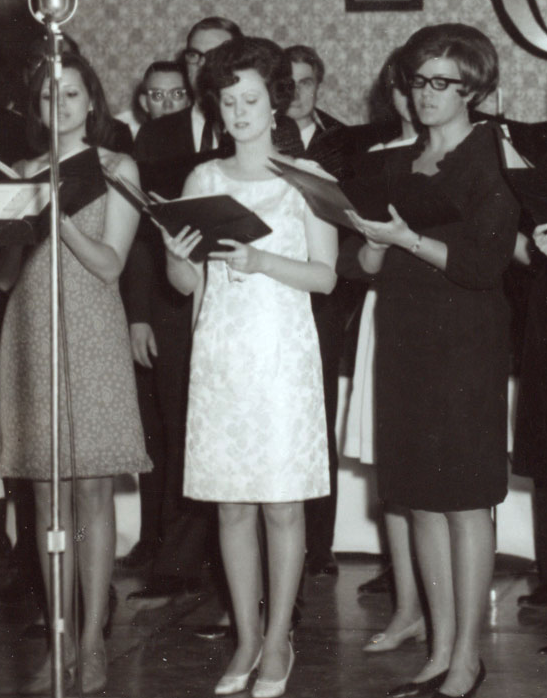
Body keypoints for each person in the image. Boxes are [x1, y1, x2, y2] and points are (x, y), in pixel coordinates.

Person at [339, 24, 519, 698]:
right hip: (405, 335)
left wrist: (408, 238)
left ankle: (467, 657)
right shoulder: (394, 161)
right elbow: (361, 263)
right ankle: (439, 649)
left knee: (464, 501)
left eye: (443, 82)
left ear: (474, 89)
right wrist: (373, 242)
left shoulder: (491, 159)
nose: (426, 95)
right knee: (417, 497)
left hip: (465, 340)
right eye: (419, 81)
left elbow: (481, 265)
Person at [161, 36, 337, 698]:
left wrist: (261, 262)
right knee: (230, 507)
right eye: (227, 101)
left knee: (281, 506)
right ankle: (243, 635)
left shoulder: (308, 180)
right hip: (221, 353)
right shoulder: (201, 180)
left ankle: (275, 642)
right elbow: (187, 287)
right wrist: (179, 256)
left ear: (275, 103)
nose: (237, 113)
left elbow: (323, 278)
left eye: (250, 100)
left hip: (280, 352)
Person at [0, 52, 151, 694]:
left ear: (91, 100)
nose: (57, 106)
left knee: (90, 489)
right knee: (44, 491)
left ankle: (92, 641)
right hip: (31, 329)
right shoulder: (22, 174)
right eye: (45, 97)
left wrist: (55, 219)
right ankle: (59, 630)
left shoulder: (117, 168)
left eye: (69, 94)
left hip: (90, 328)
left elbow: (112, 264)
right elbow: (10, 273)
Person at [120, 17, 242, 616]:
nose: (202, 67)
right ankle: (175, 564)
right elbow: (144, 236)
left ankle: (226, 574)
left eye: (216, 56)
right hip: (171, 306)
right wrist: (138, 315)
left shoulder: (256, 128)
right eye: (194, 56)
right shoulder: (157, 134)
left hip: (241, 305)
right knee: (174, 430)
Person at [341, 47, 426, 653]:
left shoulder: (468, 154)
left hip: (446, 320)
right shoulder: (373, 161)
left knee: (449, 476)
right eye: (404, 88)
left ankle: (453, 610)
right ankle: (408, 608)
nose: (414, 100)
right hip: (387, 311)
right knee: (393, 472)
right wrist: (373, 245)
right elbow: (362, 262)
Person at [284, 44, 348, 578]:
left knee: (317, 418)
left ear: (318, 86)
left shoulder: (346, 140)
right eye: (288, 82)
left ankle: (319, 544)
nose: (297, 93)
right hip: (272, 294)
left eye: (306, 82)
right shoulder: (262, 140)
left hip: (326, 300)